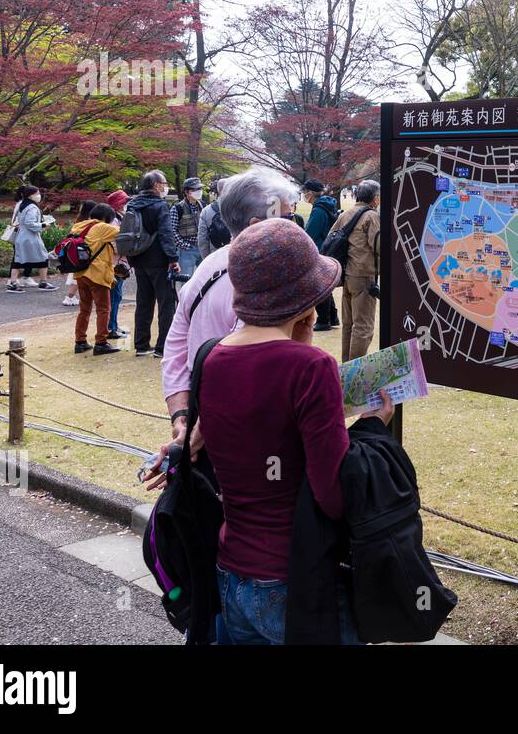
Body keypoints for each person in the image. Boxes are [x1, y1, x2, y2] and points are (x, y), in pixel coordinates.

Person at [191, 218, 392, 644]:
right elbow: (333, 497)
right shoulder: (310, 368)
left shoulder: (211, 357)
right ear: (304, 297)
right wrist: (373, 425)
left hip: (231, 573)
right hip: (296, 580)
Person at [150, 168, 302, 480]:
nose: (294, 226)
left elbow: (176, 345)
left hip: (203, 421)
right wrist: (193, 435)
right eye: (287, 218)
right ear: (257, 226)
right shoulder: (260, 280)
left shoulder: (210, 264)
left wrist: (182, 417)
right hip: (243, 432)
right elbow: (238, 370)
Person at [126, 170, 180, 358]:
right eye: (164, 183)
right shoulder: (160, 206)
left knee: (143, 302)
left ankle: (141, 345)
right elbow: (166, 234)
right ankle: (162, 347)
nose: (166, 187)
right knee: (166, 303)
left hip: (138, 259)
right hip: (159, 261)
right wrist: (173, 259)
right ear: (156, 185)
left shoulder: (132, 205)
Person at [329, 179, 380, 362]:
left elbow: (331, 237)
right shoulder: (371, 216)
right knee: (364, 327)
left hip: (347, 275)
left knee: (349, 325)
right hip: (364, 274)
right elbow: (378, 246)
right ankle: (354, 373)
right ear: (375, 198)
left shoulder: (346, 213)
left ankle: (346, 366)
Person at [70, 204, 123, 356]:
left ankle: (80, 341)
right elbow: (125, 233)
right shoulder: (102, 227)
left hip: (80, 272)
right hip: (97, 273)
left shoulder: (79, 226)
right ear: (107, 218)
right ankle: (101, 342)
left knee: (84, 309)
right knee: (103, 308)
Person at [301, 179, 340, 331]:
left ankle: (324, 319)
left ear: (311, 193)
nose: (304, 195)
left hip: (319, 250)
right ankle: (332, 316)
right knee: (325, 285)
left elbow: (310, 233)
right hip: (327, 249)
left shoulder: (318, 210)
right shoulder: (327, 205)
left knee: (318, 286)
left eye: (305, 192)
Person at [6, 186, 57, 293]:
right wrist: (43, 225)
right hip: (30, 237)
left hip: (22, 236)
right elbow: (30, 223)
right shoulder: (32, 208)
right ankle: (43, 282)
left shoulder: (23, 205)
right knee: (43, 258)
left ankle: (12, 283)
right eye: (37, 193)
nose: (39, 196)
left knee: (19, 260)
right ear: (30, 195)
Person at [105, 190, 130, 339]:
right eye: (125, 201)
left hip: (118, 262)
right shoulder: (114, 221)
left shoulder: (119, 218)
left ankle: (113, 325)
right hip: (115, 264)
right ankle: (111, 328)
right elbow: (114, 244)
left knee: (116, 296)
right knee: (114, 296)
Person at [62, 200, 97, 307]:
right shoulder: (91, 222)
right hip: (85, 252)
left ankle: (72, 297)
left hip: (76, 251)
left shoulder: (79, 219)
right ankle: (69, 297)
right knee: (79, 277)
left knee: (77, 275)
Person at [170, 178, 204, 281]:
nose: (199, 191)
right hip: (186, 251)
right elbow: (172, 231)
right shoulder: (177, 208)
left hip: (202, 248)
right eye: (195, 189)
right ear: (186, 192)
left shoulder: (203, 206)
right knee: (185, 281)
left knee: (204, 280)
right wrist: (184, 245)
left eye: (200, 188)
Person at [197, 179, 231, 258]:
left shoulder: (206, 211)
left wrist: (207, 259)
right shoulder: (238, 208)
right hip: (234, 253)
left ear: (217, 191)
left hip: (215, 255)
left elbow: (202, 240)